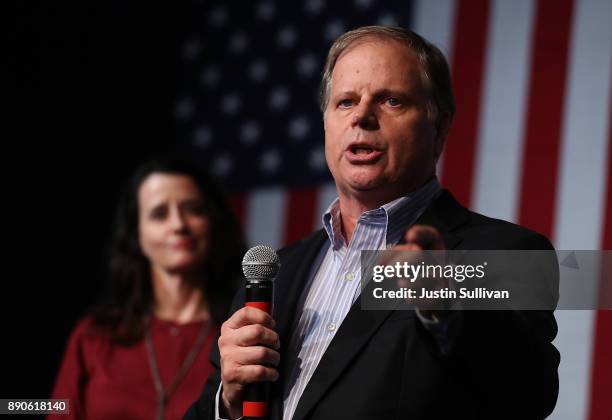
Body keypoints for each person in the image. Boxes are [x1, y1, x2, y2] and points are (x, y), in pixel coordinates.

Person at [185, 26, 560, 420]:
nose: (362, 116)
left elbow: (529, 394)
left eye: (392, 100)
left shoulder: (506, 251)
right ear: (326, 124)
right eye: (345, 102)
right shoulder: (276, 273)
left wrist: (446, 305)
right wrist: (227, 402)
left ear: (440, 128)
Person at [49, 157, 245, 420]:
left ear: (212, 223)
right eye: (159, 214)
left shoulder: (241, 332)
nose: (178, 224)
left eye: (193, 210)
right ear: (136, 234)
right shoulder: (94, 335)